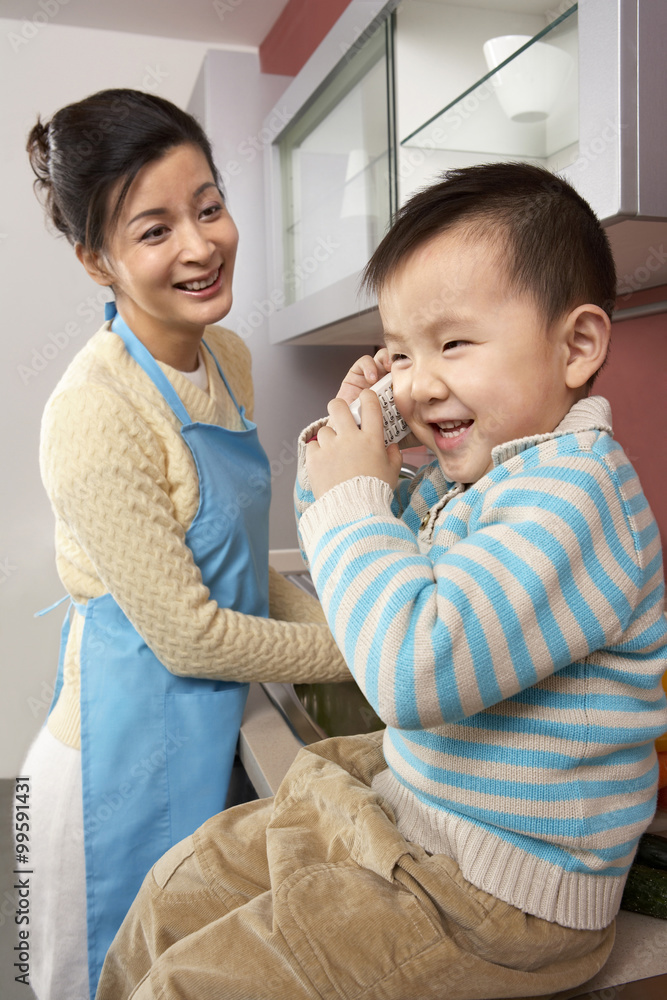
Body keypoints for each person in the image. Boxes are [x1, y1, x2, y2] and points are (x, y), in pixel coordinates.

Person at [95, 162, 667, 1000]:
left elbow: (412, 669)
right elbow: (358, 552)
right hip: (420, 826)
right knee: (174, 891)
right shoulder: (474, 480)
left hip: (501, 898)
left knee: (194, 984)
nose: (418, 380)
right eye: (399, 352)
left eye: (453, 343)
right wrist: (346, 449)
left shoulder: (576, 496)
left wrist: (356, 500)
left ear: (575, 346)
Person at [20, 88, 351, 1000]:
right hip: (101, 781)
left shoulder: (228, 357)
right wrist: (367, 648)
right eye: (154, 229)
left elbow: (244, 558)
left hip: (203, 743)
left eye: (208, 206)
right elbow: (193, 634)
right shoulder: (95, 411)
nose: (201, 246)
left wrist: (357, 615)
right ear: (98, 262)